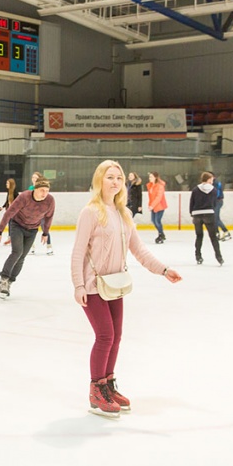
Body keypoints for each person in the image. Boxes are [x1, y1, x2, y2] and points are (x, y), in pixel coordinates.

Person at [71, 160, 182, 418]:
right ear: (100, 181)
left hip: (115, 283)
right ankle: (96, 390)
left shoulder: (124, 214)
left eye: (119, 178)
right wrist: (78, 285)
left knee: (116, 336)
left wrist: (163, 270)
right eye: (110, 177)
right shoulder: (90, 212)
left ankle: (108, 385)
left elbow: (139, 250)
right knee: (105, 336)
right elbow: (77, 252)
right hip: (93, 285)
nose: (115, 182)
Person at [0, 176, 55, 299]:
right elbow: (9, 213)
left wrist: (45, 233)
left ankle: (9, 283)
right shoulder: (24, 197)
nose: (45, 194)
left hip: (32, 230)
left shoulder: (50, 201)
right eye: (42, 190)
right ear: (35, 189)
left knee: (22, 258)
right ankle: (3, 280)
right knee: (17, 252)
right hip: (17, 226)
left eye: (47, 191)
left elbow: (49, 217)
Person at [190, 172, 224, 266]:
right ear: (208, 179)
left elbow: (192, 202)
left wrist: (192, 213)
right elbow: (214, 203)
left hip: (197, 214)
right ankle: (219, 257)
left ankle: (198, 256)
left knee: (199, 236)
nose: (212, 181)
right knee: (213, 237)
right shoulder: (213, 190)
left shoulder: (195, 189)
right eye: (212, 179)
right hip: (209, 214)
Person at [147, 171, 168, 243]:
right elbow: (151, 197)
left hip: (160, 206)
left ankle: (161, 234)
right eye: (149, 177)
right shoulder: (150, 186)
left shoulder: (160, 186)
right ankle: (161, 234)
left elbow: (158, 197)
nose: (149, 178)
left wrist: (152, 205)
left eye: (151, 177)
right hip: (153, 206)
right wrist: (150, 205)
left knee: (157, 221)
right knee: (153, 220)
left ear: (155, 177)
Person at [211, 174, 232, 241]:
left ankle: (226, 232)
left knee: (215, 218)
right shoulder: (214, 183)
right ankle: (217, 233)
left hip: (217, 201)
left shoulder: (215, 183)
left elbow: (216, 193)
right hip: (216, 201)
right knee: (215, 218)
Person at [1, 178, 18, 245]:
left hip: (14, 212)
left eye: (7, 183)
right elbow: (7, 201)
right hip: (9, 211)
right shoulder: (9, 192)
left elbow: (18, 202)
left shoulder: (15, 192)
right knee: (10, 224)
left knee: (12, 224)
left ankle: (12, 238)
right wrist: (3, 206)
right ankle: (10, 238)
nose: (6, 184)